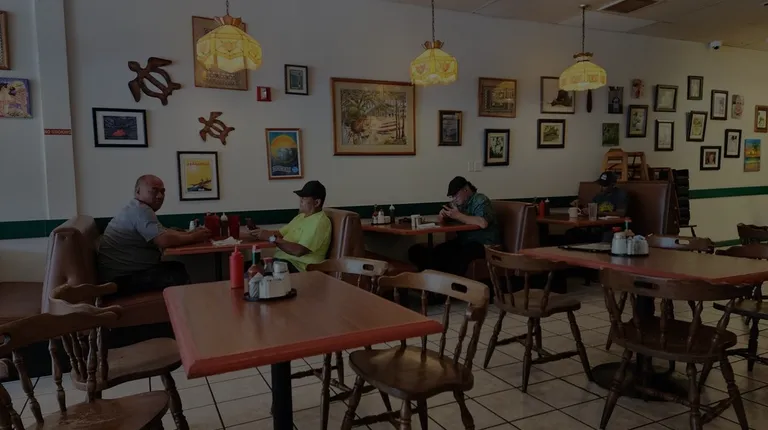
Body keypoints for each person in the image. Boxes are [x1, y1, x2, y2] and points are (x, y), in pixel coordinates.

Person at [97, 175, 211, 296]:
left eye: (162, 191)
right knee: (176, 275)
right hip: (119, 281)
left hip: (120, 276)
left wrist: (189, 233)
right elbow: (163, 240)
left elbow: (163, 231)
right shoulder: (141, 210)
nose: (160, 196)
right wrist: (194, 237)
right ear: (138, 191)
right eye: (154, 190)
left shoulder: (136, 208)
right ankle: (186, 307)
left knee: (177, 267)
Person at [409, 176, 501, 276]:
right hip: (464, 241)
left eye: (456, 195)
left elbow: (483, 223)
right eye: (452, 196)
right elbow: (442, 220)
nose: (454, 198)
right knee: (438, 251)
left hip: (484, 244)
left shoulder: (480, 200)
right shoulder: (458, 204)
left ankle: (451, 283)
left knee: (459, 256)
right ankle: (432, 277)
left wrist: (458, 215)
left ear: (466, 189)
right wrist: (442, 216)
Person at [256, 180, 332, 272]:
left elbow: (298, 251)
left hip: (298, 268)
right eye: (301, 197)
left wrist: (272, 238)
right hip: (281, 263)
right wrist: (257, 233)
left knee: (251, 271)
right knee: (249, 266)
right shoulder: (301, 217)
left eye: (304, 198)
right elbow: (279, 233)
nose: (300, 201)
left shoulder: (320, 222)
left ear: (317, 203)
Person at [566, 171, 628, 243]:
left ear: (613, 184)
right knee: (571, 233)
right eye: (600, 184)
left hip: (612, 228)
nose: (601, 188)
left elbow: (621, 213)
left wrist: (597, 212)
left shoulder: (620, 195)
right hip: (597, 227)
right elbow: (592, 207)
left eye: (604, 185)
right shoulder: (599, 195)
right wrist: (581, 207)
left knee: (606, 237)